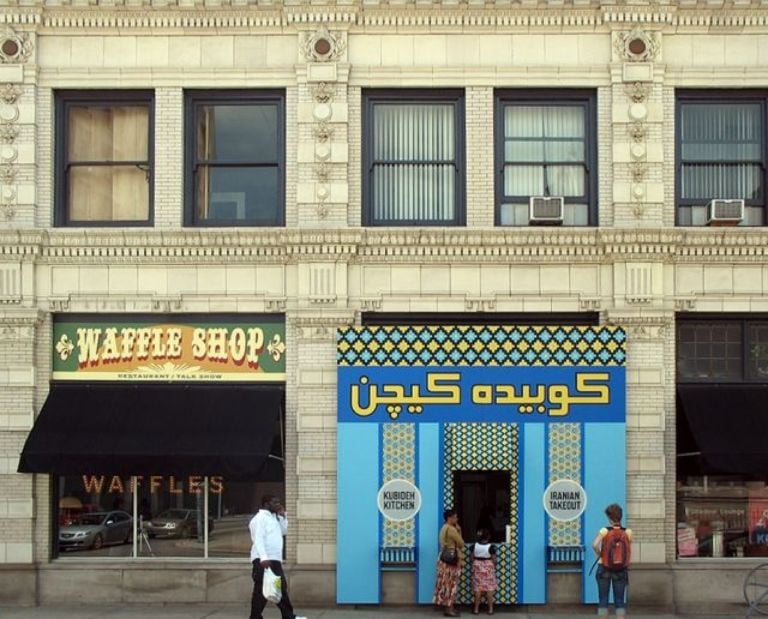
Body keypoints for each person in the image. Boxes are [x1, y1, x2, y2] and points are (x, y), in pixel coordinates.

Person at [249, 495, 307, 619]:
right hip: (263, 560)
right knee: (261, 591)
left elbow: (284, 531)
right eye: (275, 502)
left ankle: (288, 616)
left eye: (279, 502)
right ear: (266, 504)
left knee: (279, 589)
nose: (278, 504)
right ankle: (256, 617)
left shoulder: (274, 518)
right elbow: (258, 539)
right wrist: (263, 557)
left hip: (274, 560)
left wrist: (283, 517)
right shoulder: (260, 519)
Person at [592, 503, 632, 619]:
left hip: (604, 567)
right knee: (620, 601)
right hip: (621, 570)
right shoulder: (628, 532)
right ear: (620, 516)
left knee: (603, 600)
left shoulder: (604, 530)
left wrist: (601, 555)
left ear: (609, 518)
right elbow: (628, 550)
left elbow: (594, 545)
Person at [433, 508, 464, 617]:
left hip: (444, 558)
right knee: (451, 584)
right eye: (455, 517)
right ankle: (449, 609)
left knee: (445, 584)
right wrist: (459, 531)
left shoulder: (443, 528)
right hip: (451, 560)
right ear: (449, 518)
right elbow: (461, 543)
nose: (457, 519)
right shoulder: (451, 529)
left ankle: (449, 608)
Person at [471, 528, 497, 615]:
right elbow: (494, 560)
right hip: (488, 568)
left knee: (477, 589)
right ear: (488, 537)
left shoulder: (473, 546)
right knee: (489, 589)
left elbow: (471, 558)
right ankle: (490, 609)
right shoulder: (491, 547)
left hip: (477, 567)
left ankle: (476, 609)